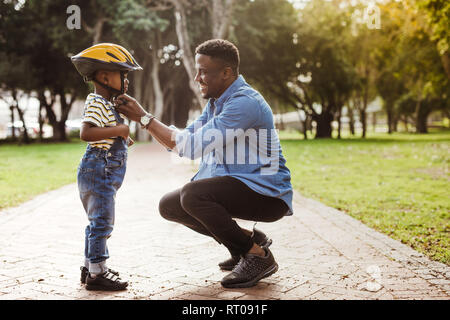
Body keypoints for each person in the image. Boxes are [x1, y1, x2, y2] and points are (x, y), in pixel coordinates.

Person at [115, 39, 293, 288]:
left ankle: (257, 256)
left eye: (203, 71)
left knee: (192, 195)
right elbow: (184, 138)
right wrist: (145, 120)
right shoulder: (215, 104)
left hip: (266, 193)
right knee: (169, 205)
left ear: (226, 73)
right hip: (241, 186)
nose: (197, 78)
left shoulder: (244, 103)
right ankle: (250, 241)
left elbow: (191, 147)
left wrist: (144, 118)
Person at [71, 43, 142, 291]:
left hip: (101, 169)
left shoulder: (107, 104)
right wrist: (121, 129)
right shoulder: (97, 102)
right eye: (123, 75)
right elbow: (87, 133)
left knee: (96, 222)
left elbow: (105, 133)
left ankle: (89, 266)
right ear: (104, 76)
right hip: (98, 167)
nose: (126, 81)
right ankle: (98, 274)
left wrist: (121, 136)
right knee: (102, 222)